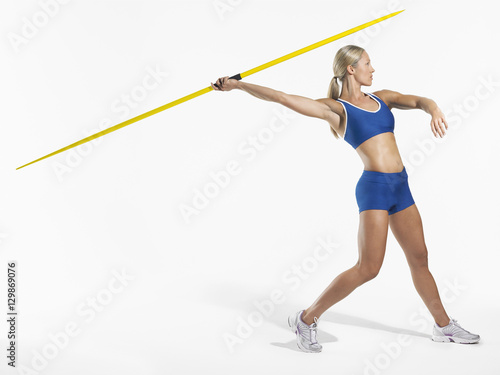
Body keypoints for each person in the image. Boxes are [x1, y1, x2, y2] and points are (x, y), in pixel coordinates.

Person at [211, 45, 480, 353]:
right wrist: (238, 85)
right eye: (368, 63)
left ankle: (443, 326)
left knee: (420, 259)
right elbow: (283, 98)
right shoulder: (336, 109)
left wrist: (433, 110)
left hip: (400, 186)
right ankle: (306, 319)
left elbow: (420, 100)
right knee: (368, 268)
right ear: (351, 68)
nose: (373, 68)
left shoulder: (384, 98)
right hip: (375, 188)